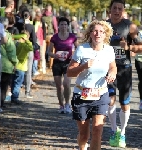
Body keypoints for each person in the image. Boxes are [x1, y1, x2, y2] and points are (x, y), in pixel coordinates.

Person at [67, 20, 117, 150]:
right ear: (90, 33)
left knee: (97, 131)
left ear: (105, 34)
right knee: (84, 135)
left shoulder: (109, 50)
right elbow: (69, 72)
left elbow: (113, 67)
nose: (98, 34)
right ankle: (82, 146)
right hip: (81, 95)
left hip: (101, 95)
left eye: (101, 31)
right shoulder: (82, 49)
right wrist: (84, 66)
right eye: (95, 31)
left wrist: (112, 73)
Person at [107, 0, 132, 148]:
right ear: (110, 10)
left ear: (123, 10)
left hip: (125, 69)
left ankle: (122, 132)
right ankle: (113, 130)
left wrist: (127, 46)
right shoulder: (104, 26)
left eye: (119, 8)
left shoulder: (130, 26)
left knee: (124, 103)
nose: (117, 11)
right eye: (114, 8)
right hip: (109, 68)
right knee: (110, 100)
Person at [48, 17, 78, 114]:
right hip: (57, 63)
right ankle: (61, 105)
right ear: (59, 26)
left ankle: (67, 104)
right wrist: (54, 55)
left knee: (66, 83)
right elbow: (48, 52)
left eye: (65, 24)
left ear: (68, 26)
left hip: (68, 63)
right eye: (62, 24)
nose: (64, 26)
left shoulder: (72, 37)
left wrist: (74, 55)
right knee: (59, 86)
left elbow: (79, 49)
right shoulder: (55, 37)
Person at [0, 17, 18, 107]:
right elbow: (11, 52)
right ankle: (0, 104)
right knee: (3, 86)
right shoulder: (8, 36)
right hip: (6, 66)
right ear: (6, 26)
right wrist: (15, 63)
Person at [11, 31, 33, 104]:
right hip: (21, 67)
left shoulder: (15, 44)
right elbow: (31, 48)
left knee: (13, 82)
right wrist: (28, 41)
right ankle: (15, 97)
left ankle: (12, 96)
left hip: (13, 66)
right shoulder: (25, 46)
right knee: (18, 83)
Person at [42, 4, 58, 68]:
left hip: (43, 36)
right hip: (51, 35)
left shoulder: (42, 17)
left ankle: (42, 65)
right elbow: (55, 27)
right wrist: (56, 36)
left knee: (43, 51)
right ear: (51, 9)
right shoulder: (53, 17)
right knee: (51, 51)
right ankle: (51, 65)